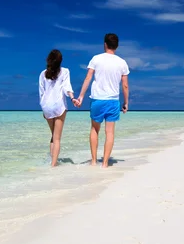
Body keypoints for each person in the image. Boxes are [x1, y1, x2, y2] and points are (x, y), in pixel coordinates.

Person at [74, 33, 130, 168]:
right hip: (112, 101)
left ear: (105, 44)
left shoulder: (96, 59)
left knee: (94, 129)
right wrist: (126, 103)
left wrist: (81, 96)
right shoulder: (122, 62)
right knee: (109, 132)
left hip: (97, 99)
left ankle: (93, 161)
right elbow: (125, 85)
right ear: (117, 46)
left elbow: (88, 78)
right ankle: (105, 163)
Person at [39, 49, 76, 167]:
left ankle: (52, 160)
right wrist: (72, 98)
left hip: (46, 106)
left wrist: (43, 108)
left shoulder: (43, 74)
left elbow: (41, 92)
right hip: (58, 105)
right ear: (60, 61)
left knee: (53, 136)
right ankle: (53, 165)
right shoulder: (65, 71)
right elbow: (66, 87)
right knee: (57, 138)